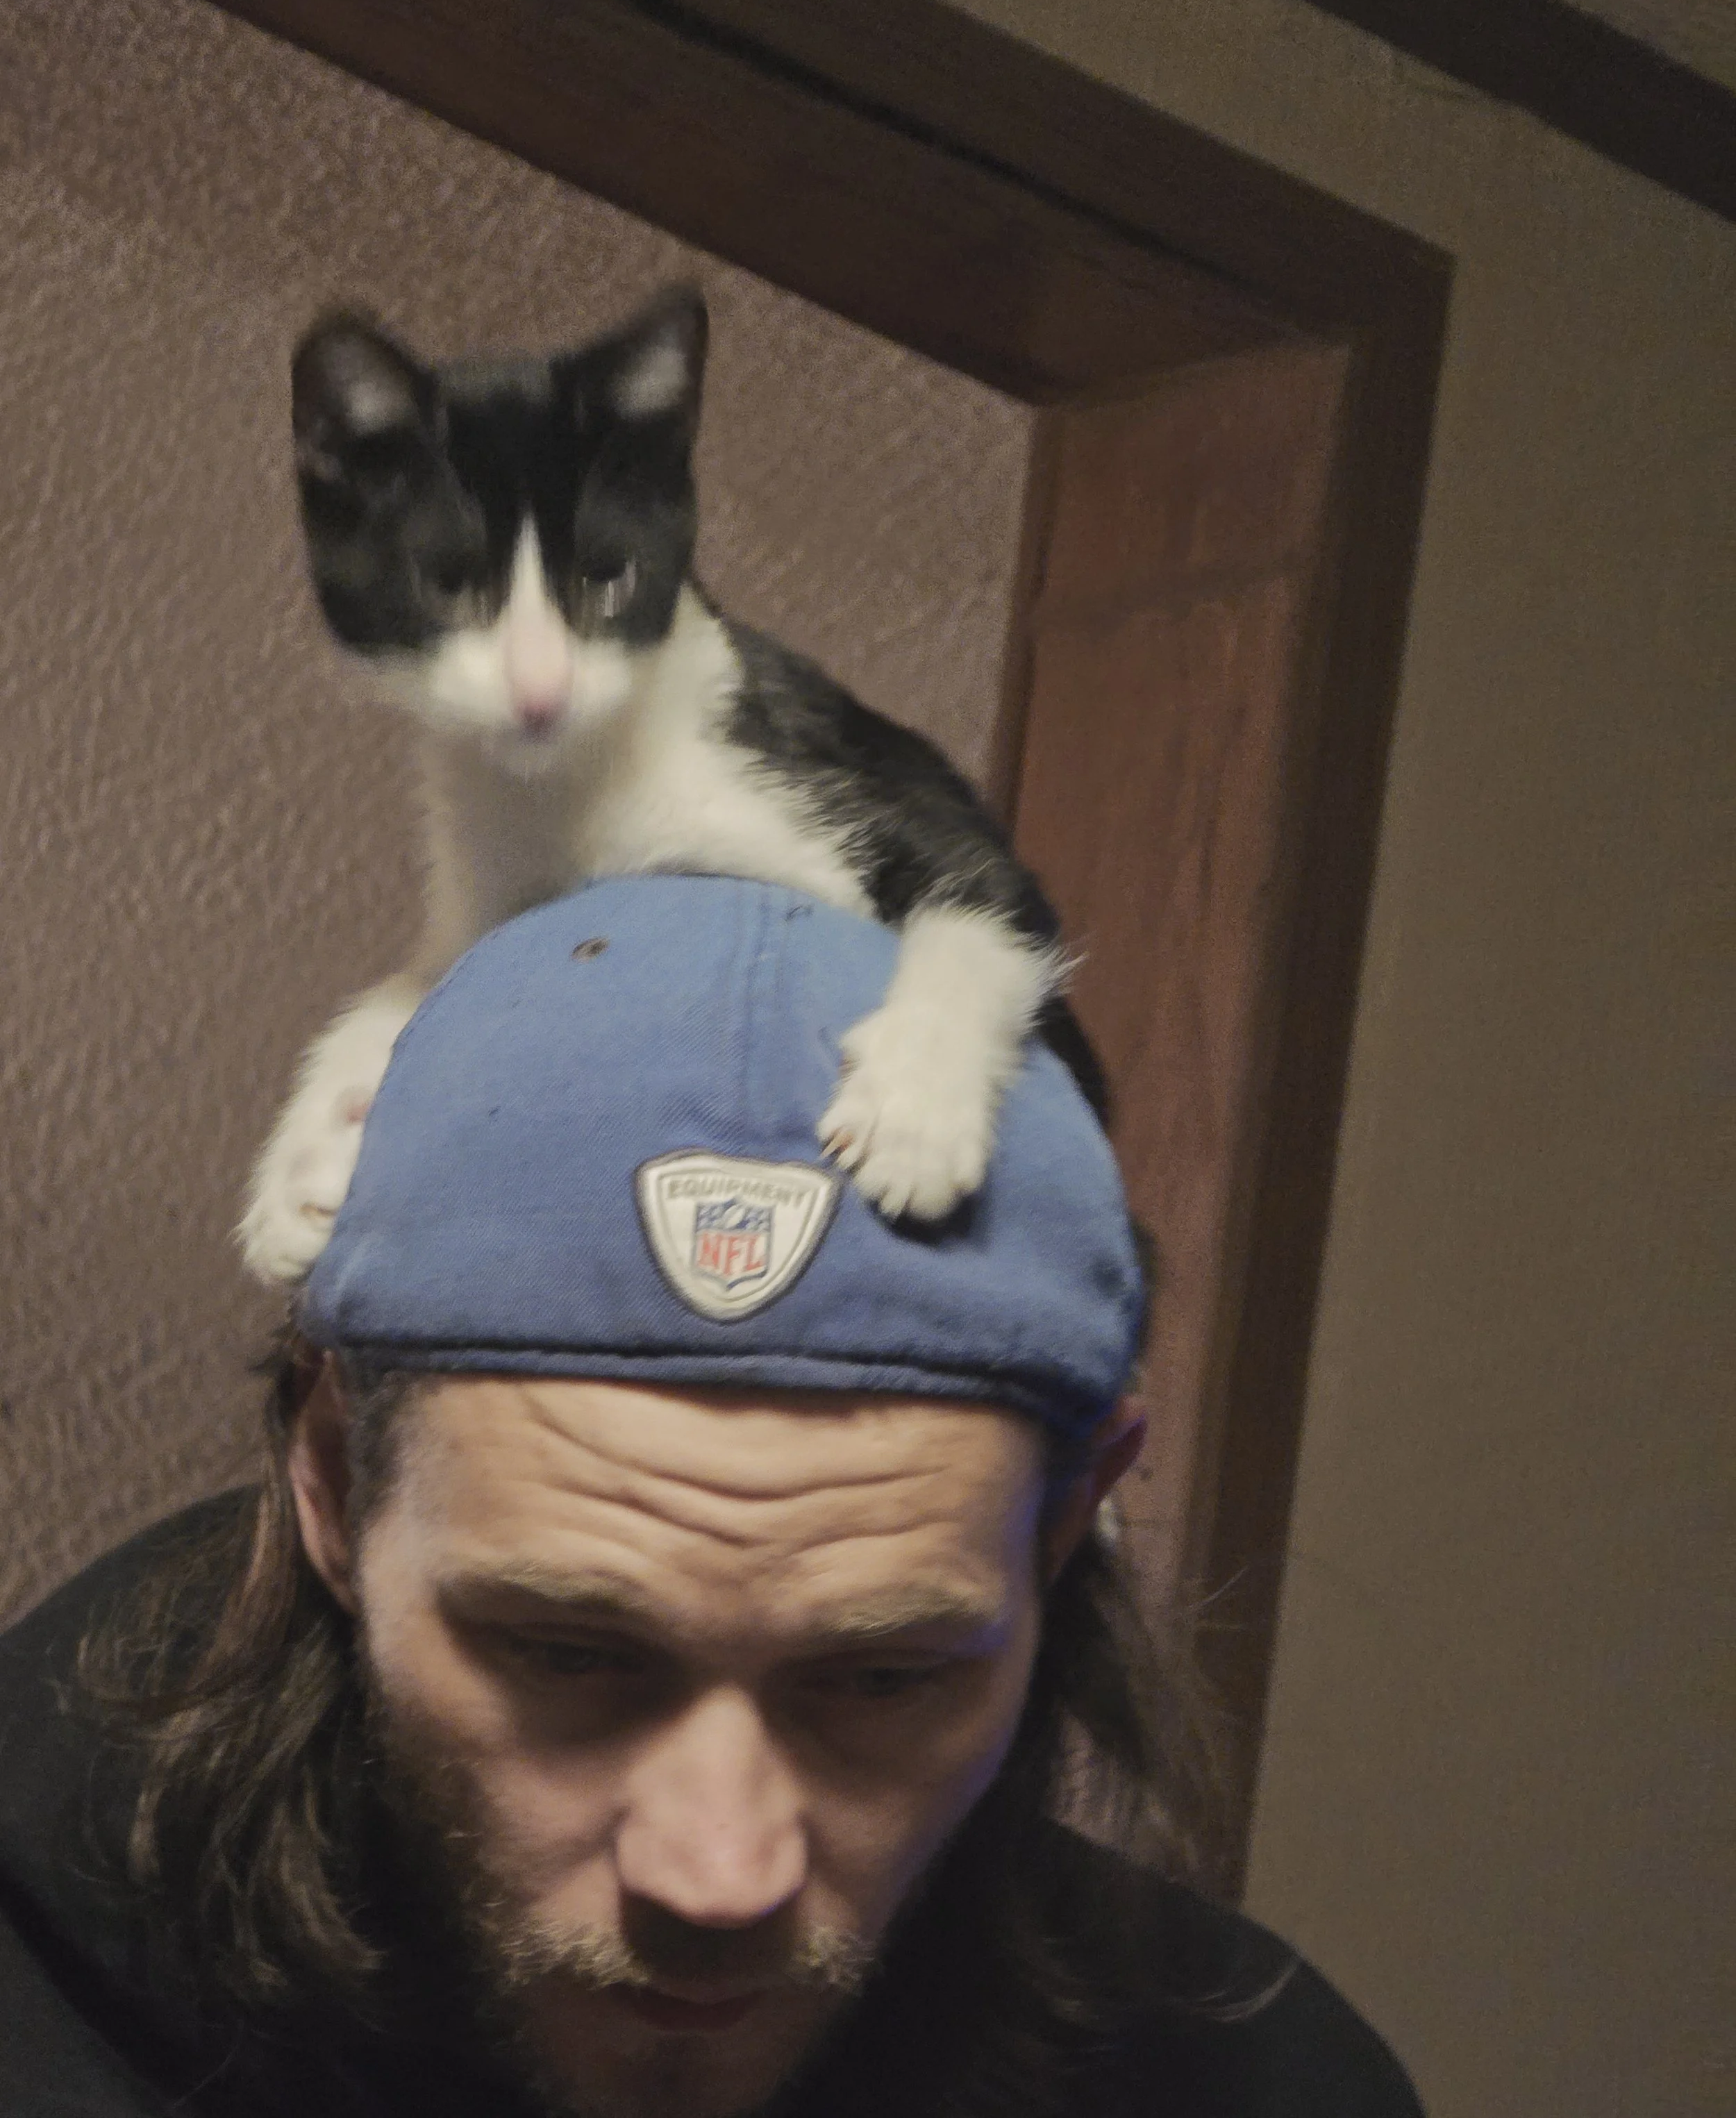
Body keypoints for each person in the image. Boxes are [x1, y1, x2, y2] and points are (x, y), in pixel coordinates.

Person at [0, 876, 1422, 2117]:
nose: (716, 1875)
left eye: (881, 1678)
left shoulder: (1264, 2086)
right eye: (567, 1654)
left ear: (1062, 1531)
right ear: (328, 1479)